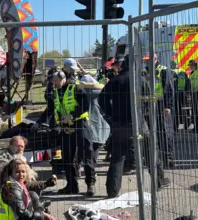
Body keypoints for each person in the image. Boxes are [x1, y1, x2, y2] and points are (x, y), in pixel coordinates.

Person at [98, 54, 170, 198]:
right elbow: (150, 100)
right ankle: (159, 180)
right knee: (150, 152)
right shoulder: (141, 80)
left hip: (118, 123)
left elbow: (102, 99)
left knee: (117, 158)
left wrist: (110, 116)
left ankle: (112, 190)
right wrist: (144, 112)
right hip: (138, 123)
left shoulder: (115, 81)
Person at [37, 69, 96, 197]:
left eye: (56, 80)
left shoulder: (76, 88)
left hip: (80, 125)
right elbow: (50, 109)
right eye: (53, 81)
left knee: (86, 155)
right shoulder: (56, 93)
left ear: (63, 77)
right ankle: (72, 186)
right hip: (65, 127)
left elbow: (85, 105)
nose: (55, 83)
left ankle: (90, 185)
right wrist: (39, 122)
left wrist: (72, 116)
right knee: (68, 158)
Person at [62, 58, 110, 177]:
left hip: (81, 122)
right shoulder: (98, 90)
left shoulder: (76, 88)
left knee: (81, 150)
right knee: (93, 152)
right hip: (97, 124)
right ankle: (90, 174)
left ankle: (78, 169)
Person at [142, 52, 175, 168]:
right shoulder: (144, 72)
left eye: (148, 60)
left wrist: (168, 106)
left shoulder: (164, 71)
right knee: (151, 132)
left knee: (165, 131)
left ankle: (168, 157)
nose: (146, 63)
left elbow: (169, 89)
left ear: (155, 60)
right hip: (149, 104)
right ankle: (156, 158)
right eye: (145, 61)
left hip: (161, 104)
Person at [190, 60, 198, 133]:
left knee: (196, 111)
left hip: (196, 93)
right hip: (194, 93)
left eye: (191, 65)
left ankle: (196, 129)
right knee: (194, 111)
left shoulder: (196, 72)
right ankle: (195, 128)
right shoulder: (192, 73)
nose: (190, 67)